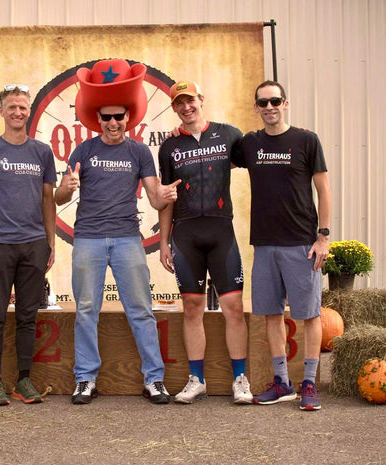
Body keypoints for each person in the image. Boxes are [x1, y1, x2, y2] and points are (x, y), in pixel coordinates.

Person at [54, 59, 180, 405]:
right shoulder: (83, 151)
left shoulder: (140, 152)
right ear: (98, 119)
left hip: (127, 239)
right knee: (86, 310)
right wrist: (67, 186)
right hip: (88, 239)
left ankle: (153, 380)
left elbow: (156, 200)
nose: (112, 122)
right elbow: (58, 197)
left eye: (118, 116)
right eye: (106, 117)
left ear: (129, 117)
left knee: (141, 310)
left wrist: (166, 195)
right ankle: (85, 379)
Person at [231, 80, 332, 411]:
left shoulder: (306, 140)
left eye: (275, 101)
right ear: (256, 108)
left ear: (285, 103)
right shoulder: (249, 144)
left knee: (310, 314)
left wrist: (323, 236)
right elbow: (219, 156)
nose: (270, 107)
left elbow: (324, 189)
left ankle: (309, 384)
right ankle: (282, 383)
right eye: (263, 103)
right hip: (264, 244)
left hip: (302, 243)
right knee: (271, 314)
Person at [158, 81, 251, 404]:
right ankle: (196, 379)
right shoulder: (169, 147)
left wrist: (297, 137)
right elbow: (167, 197)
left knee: (233, 308)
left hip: (220, 231)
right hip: (186, 235)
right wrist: (164, 241)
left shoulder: (229, 135)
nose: (186, 107)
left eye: (191, 100)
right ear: (174, 108)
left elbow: (259, 156)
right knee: (192, 308)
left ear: (202, 100)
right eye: (179, 103)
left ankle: (240, 377)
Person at [0, 84, 56, 405]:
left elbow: (48, 200)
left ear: (29, 111)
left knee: (27, 315)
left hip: (33, 245)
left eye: (23, 107)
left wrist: (50, 242)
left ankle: (23, 379)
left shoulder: (42, 152)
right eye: (12, 107)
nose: (18, 112)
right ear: (2, 112)